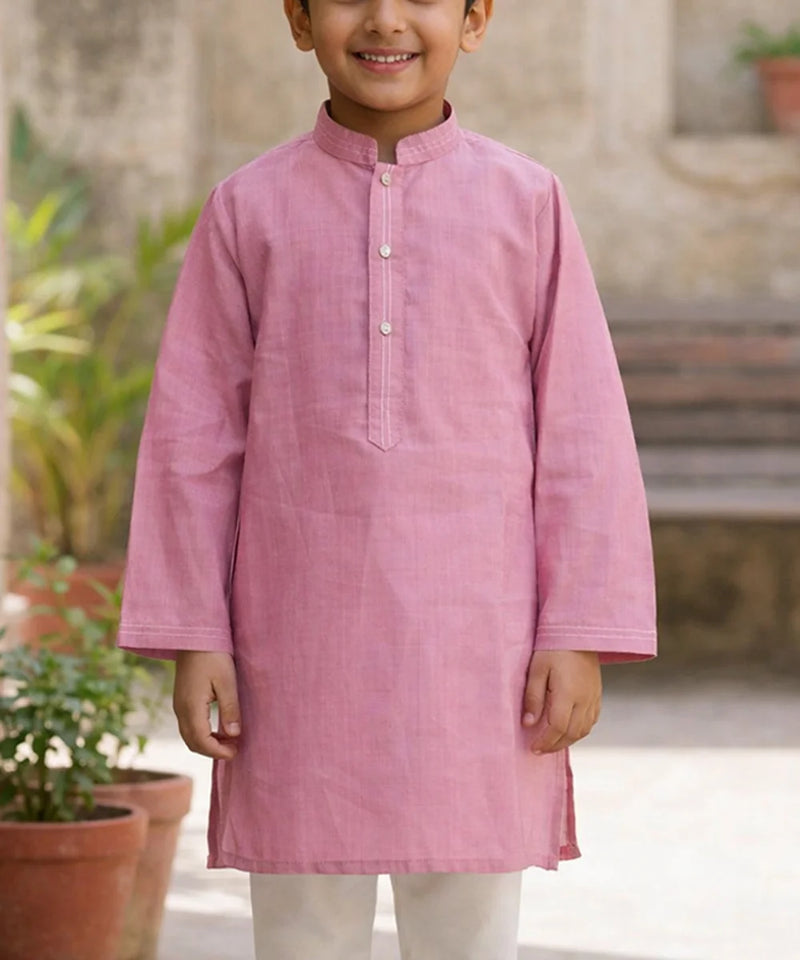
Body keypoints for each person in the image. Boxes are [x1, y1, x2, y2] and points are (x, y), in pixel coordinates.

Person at [116, 0, 658, 956]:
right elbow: (192, 441)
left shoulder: (526, 202)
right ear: (298, 18)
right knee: (302, 927)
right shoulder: (249, 207)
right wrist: (195, 632)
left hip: (479, 650)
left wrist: (576, 628)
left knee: (468, 922)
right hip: (294, 644)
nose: (385, 21)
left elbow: (583, 432)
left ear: (476, 17)